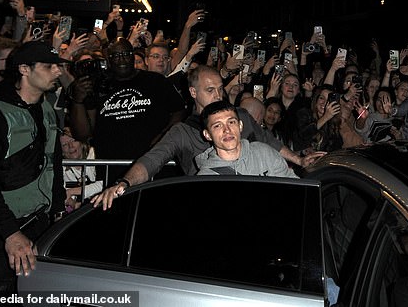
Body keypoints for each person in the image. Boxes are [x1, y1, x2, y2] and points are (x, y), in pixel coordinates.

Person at [91, 65, 324, 210]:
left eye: (220, 89)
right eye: (210, 90)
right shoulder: (182, 132)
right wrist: (123, 184)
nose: (218, 95)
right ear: (193, 93)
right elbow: (152, 160)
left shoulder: (238, 115)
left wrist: (299, 160)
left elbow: (268, 141)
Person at [0, 41, 67, 298]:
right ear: (24, 69)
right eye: (49, 66)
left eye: (58, 66)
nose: (57, 71)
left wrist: (57, 209)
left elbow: (54, 163)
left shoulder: (46, 109)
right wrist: (10, 233)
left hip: (38, 224)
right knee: (0, 294)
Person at [67, 38, 186, 183]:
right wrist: (77, 101)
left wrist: (164, 137)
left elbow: (179, 111)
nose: (122, 59)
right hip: (113, 168)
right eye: (116, 56)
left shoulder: (155, 81)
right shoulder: (99, 85)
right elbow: (83, 134)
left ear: (133, 55)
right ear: (108, 60)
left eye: (126, 54)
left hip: (153, 165)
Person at [195, 100, 298, 177]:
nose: (227, 130)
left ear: (240, 126)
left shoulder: (264, 153)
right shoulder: (206, 178)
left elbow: (292, 184)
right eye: (218, 126)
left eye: (231, 122)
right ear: (207, 135)